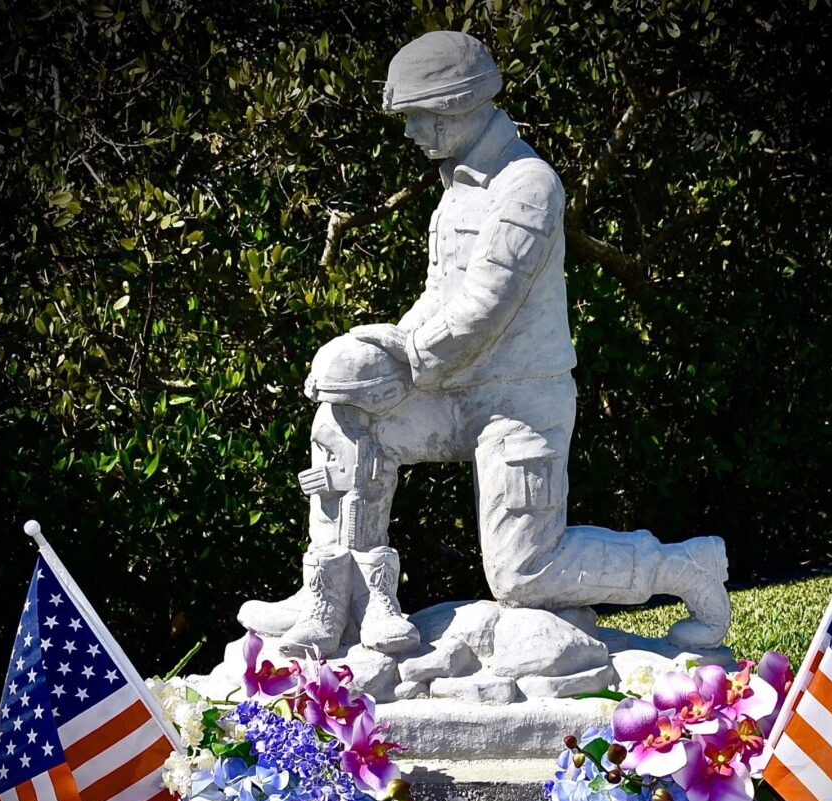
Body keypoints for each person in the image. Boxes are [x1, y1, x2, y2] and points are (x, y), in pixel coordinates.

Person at [239, 31, 730, 656]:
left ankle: (683, 568)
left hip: (520, 403)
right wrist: (377, 349)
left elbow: (482, 310)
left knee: (522, 573)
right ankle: (337, 600)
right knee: (345, 421)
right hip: (451, 392)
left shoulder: (527, 185)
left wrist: (399, 359)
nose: (411, 130)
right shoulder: (457, 187)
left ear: (458, 104)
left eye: (418, 116)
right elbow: (439, 295)